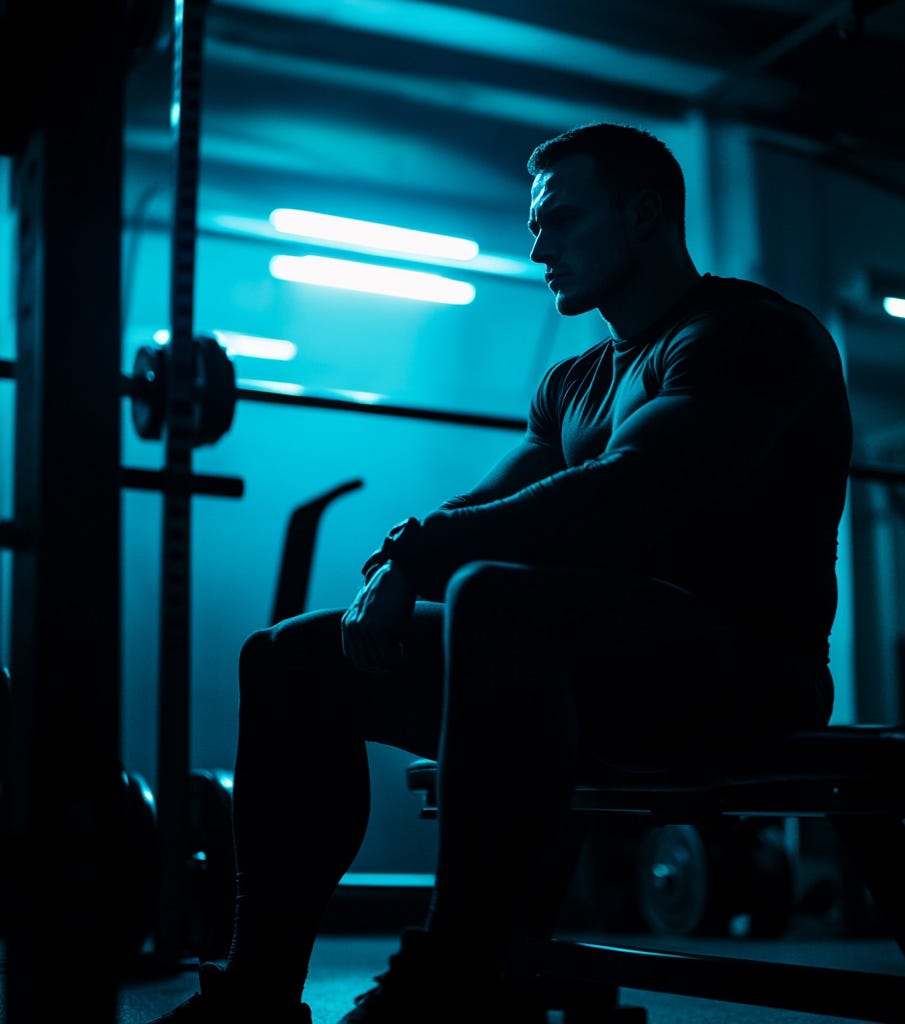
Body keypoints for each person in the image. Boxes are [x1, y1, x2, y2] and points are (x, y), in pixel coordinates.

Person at [148, 121, 852, 1024]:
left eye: (560, 218)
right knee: (288, 659)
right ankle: (256, 993)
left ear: (643, 216)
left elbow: (625, 495)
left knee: (495, 597)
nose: (537, 244)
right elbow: (486, 512)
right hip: (588, 667)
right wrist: (406, 559)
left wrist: (427, 553)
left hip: (745, 676)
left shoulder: (749, 336)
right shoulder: (573, 383)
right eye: (535, 223)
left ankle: (456, 974)